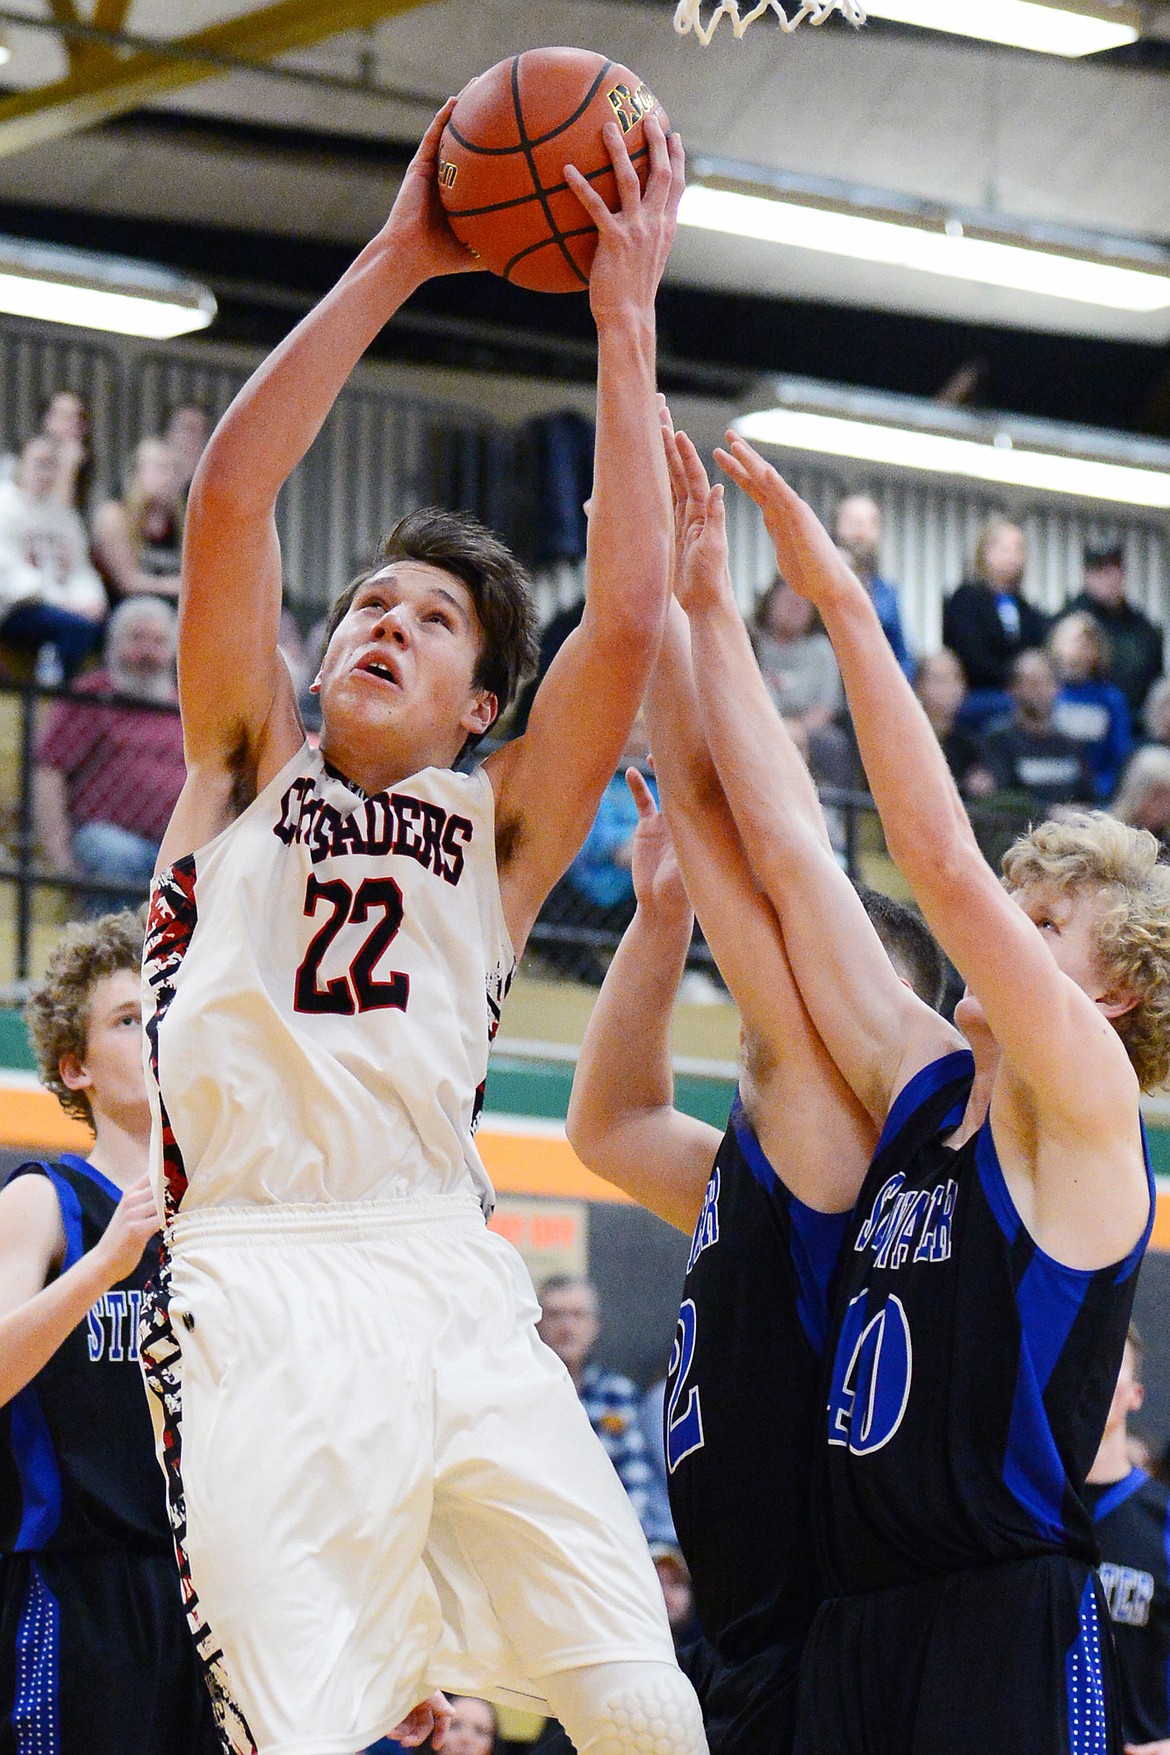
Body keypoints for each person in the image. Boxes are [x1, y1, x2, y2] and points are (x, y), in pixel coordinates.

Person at [138, 103, 701, 1755]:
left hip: (446, 1275)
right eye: (373, 601)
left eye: (433, 618)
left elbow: (636, 611)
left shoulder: (504, 828)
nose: (388, 619)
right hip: (259, 1281)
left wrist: (624, 323)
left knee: (647, 1717)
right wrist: (403, 249)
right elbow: (235, 501)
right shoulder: (244, 760)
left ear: (479, 707)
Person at [686, 427, 1170, 1755]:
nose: (1007, 922)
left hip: (997, 1613)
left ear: (1112, 989)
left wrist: (842, 599)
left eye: (1048, 917)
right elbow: (792, 853)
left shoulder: (1083, 1098)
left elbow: (939, 862)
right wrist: (704, 606)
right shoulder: (923, 1090)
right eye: (1021, 902)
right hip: (856, 1615)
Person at [567, 416, 944, 1755]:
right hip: (738, 1629)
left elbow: (752, 831)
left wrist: (666, 604)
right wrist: (657, 914)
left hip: (812, 1636)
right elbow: (605, 1123)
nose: (776, 975)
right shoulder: (754, 1156)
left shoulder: (841, 1139)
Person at [0, 910, 220, 1753]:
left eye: (164, 1009)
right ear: (75, 1066)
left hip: (211, 1591)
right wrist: (102, 1264)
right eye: (129, 1018)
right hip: (78, 1584)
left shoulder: (222, 1222)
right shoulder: (43, 1197)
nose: (155, 1030)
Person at [33, 597, 185, 907]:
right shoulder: (91, 697)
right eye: (136, 638)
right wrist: (59, 855)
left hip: (180, 845)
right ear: (113, 645)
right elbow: (50, 770)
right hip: (108, 839)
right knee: (115, 853)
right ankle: (118, 955)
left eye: (158, 641)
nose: (146, 653)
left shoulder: (187, 705)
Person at [1085, 1327, 1170, 1755]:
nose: (1096, 1374)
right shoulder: (1020, 1509)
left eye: (1111, 1361)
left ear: (1135, 1394)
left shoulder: (1164, 1518)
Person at [536, 1276, 654, 1528]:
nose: (567, 1327)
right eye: (555, 1315)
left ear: (594, 1325)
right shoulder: (520, 1396)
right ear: (536, 1324)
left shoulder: (618, 1394)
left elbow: (636, 1481)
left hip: (609, 1536)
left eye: (578, 1315)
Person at [0, 434, 105, 679]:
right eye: (40, 463)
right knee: (74, 628)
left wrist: (92, 600)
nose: (46, 472)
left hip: (63, 606)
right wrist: (66, 602)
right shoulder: (4, 505)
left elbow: (80, 569)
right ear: (21, 464)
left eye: (52, 465)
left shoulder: (64, 515)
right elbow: (8, 572)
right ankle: (53, 697)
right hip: (16, 607)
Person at [750, 574, 853, 789]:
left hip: (807, 731)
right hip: (754, 723)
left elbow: (826, 707)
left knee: (833, 744)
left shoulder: (821, 651)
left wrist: (798, 729)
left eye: (803, 604)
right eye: (788, 600)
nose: (795, 607)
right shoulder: (750, 641)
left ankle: (833, 811)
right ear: (770, 601)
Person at [942, 517, 1047, 720]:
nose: (1012, 556)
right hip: (979, 693)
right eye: (1004, 548)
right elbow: (969, 654)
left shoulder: (1026, 609)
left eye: (1018, 549)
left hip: (1019, 695)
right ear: (984, 553)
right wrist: (1013, 680)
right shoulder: (966, 598)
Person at [983, 647, 1095, 813]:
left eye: (1047, 681)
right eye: (1032, 683)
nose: (1040, 690)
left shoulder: (1070, 743)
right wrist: (1048, 813)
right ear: (1012, 689)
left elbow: (1088, 798)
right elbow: (1002, 802)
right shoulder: (998, 740)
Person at [1066, 543, 1163, 729]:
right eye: (1101, 568)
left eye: (1116, 567)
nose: (1110, 576)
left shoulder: (1144, 630)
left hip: (1136, 725)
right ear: (1087, 575)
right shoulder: (1068, 622)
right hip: (1082, 718)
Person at [1050, 609, 1133, 802]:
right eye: (1072, 642)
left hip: (1099, 794)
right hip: (1052, 788)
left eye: (1087, 644)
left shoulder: (1111, 698)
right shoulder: (1048, 693)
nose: (1079, 651)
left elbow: (1120, 756)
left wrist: (1099, 792)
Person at [832, 493, 913, 679]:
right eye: (852, 522)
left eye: (870, 523)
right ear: (834, 528)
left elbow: (902, 655)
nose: (861, 532)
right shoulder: (808, 581)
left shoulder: (887, 593)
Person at [92, 438, 184, 602]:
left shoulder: (182, 522)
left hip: (176, 605)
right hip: (130, 607)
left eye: (175, 470)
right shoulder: (115, 516)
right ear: (136, 473)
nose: (170, 477)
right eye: (161, 468)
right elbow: (128, 583)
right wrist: (178, 585)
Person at [913, 649, 995, 800]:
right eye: (939, 680)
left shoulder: (970, 744)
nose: (949, 688)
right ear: (919, 687)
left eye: (956, 679)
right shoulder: (904, 742)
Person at [1112, 747, 1170, 848]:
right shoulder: (1112, 833)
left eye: (1168, 797)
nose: (1164, 806)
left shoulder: (1166, 840)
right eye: (1156, 795)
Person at [161, 402, 211, 499]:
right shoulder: (151, 489)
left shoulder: (210, 488)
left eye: (203, 431)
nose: (196, 437)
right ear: (169, 434)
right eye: (189, 429)